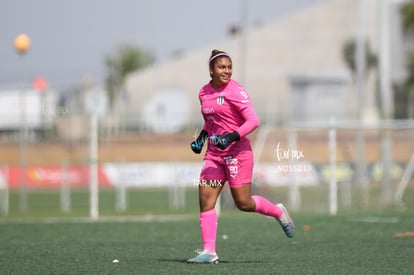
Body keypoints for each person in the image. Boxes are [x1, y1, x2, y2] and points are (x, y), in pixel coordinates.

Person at [187, 49, 295, 264]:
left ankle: (277, 211)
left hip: (238, 154)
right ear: (211, 70)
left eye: (229, 67)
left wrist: (231, 137)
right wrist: (202, 137)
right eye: (221, 67)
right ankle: (209, 252)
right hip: (214, 155)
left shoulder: (236, 91)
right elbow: (211, 121)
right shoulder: (203, 93)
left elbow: (253, 121)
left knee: (243, 203)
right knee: (206, 198)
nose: (226, 71)